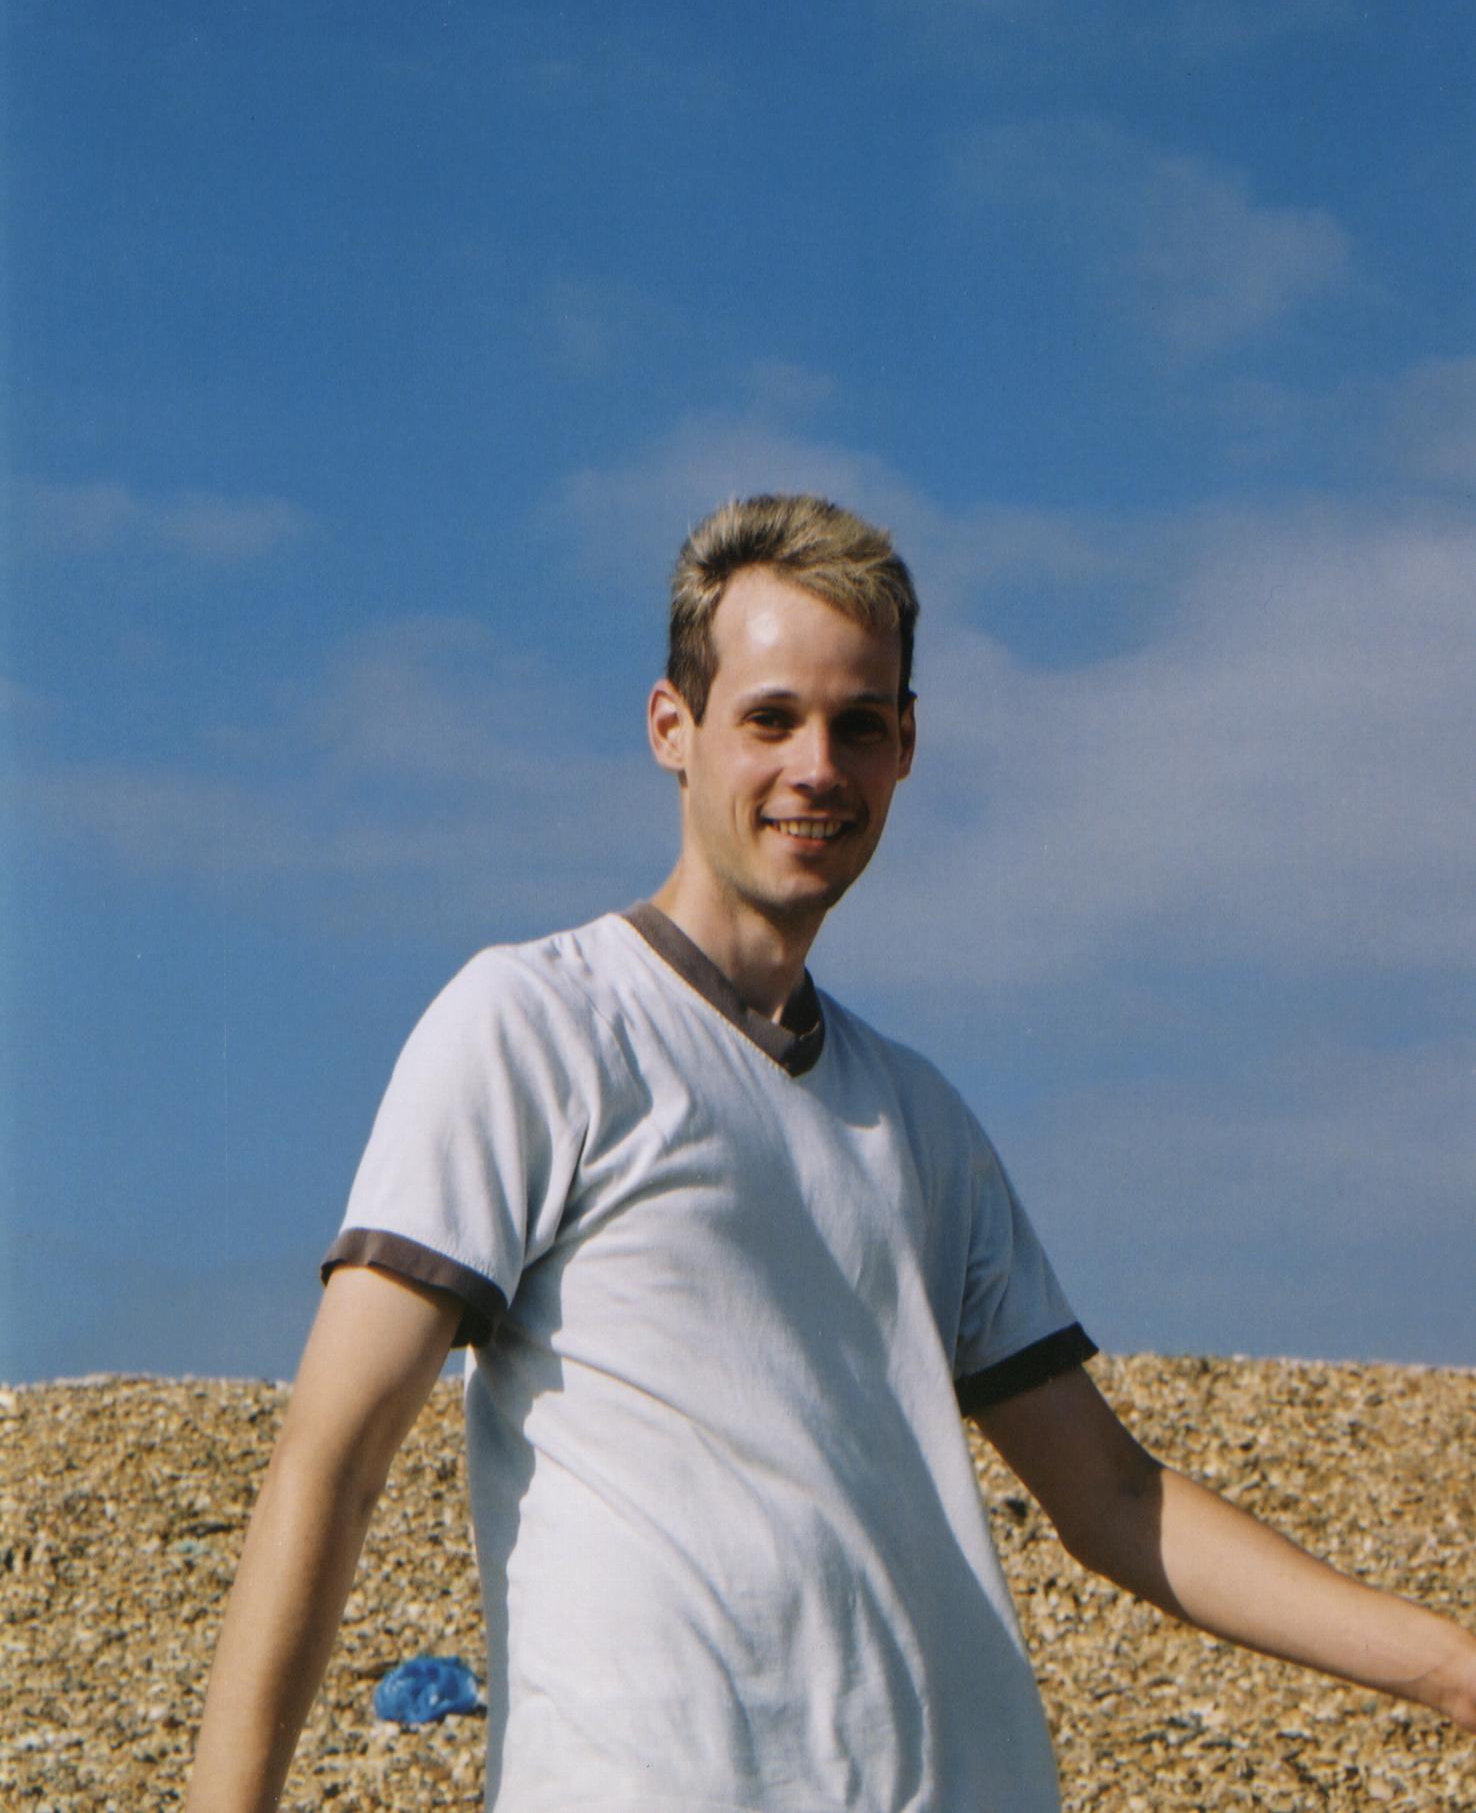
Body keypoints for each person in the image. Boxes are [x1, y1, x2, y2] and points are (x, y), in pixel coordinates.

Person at [186, 494, 1476, 1812]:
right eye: (770, 719)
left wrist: (1450, 1669)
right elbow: (335, 1461)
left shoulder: (920, 1120)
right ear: (672, 728)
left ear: (906, 746)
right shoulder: (537, 1025)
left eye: (859, 725)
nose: (817, 766)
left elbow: (1113, 1501)